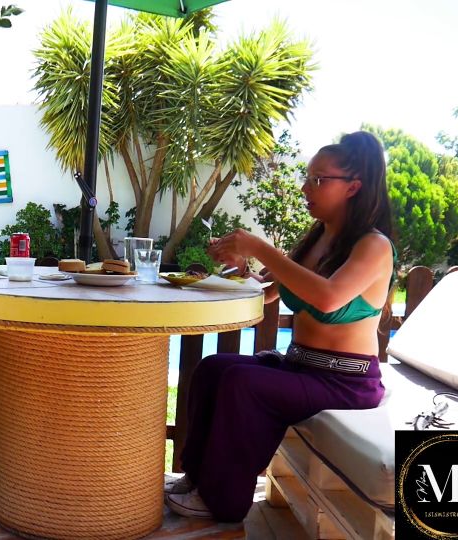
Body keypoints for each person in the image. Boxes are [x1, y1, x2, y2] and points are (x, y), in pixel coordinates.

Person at [165, 131, 394, 522]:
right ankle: (197, 477)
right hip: (301, 367)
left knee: (243, 382)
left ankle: (223, 500)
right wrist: (242, 269)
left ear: (353, 187)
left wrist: (259, 247)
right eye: (308, 178)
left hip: (345, 382)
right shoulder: (317, 239)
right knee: (213, 368)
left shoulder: (373, 246)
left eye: (318, 179)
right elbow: (269, 291)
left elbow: (328, 298)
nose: (306, 188)